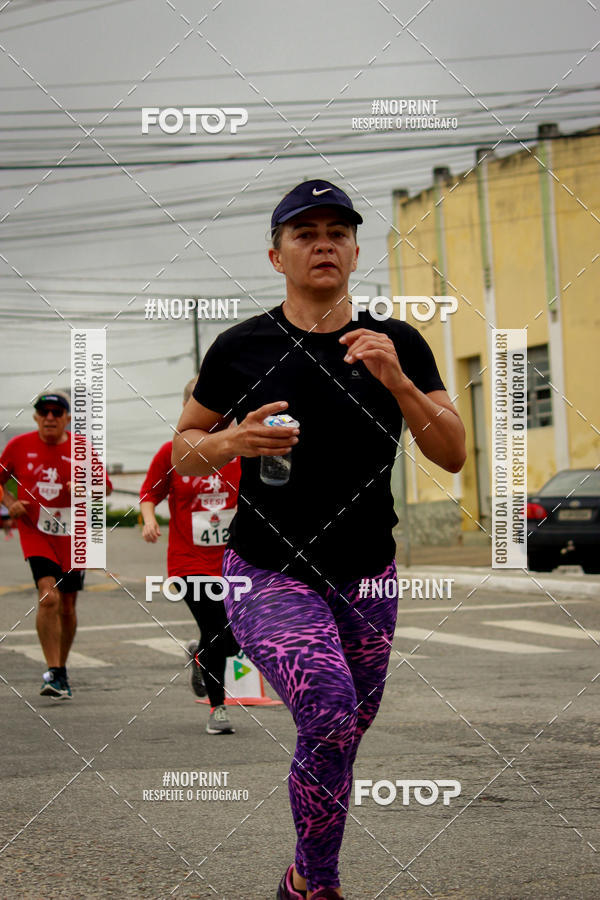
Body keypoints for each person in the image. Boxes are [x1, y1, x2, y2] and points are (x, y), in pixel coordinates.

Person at [172, 180, 466, 899]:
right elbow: (183, 450)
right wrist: (233, 439)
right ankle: (322, 887)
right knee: (331, 710)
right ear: (277, 255)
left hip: (367, 576)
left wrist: (399, 382)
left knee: (342, 731)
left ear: (357, 250)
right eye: (305, 233)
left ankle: (302, 879)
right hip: (268, 571)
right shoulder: (241, 348)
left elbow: (453, 452)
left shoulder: (398, 343)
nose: (324, 242)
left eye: (338, 230)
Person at [140, 378, 241, 735]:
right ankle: (218, 709)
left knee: (234, 637)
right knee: (216, 629)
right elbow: (149, 494)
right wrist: (149, 520)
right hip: (189, 563)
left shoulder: (241, 451)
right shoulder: (172, 453)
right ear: (189, 409)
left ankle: (199, 656)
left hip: (234, 564)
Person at [0, 390, 112, 699]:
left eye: (56, 412)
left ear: (67, 417)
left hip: (72, 535)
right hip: (35, 531)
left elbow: (106, 486)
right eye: (44, 412)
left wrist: (85, 485)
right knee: (49, 596)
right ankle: (54, 671)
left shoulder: (81, 448)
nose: (50, 417)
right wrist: (10, 501)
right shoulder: (18, 446)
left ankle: (61, 670)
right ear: (36, 416)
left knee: (68, 606)